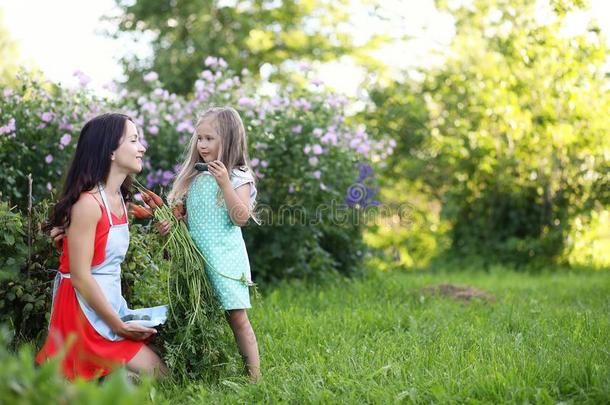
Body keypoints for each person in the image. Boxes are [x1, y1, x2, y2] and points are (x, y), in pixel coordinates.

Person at [37, 113, 168, 380]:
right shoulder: (88, 204)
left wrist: (164, 231)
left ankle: (111, 375)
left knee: (165, 375)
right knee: (159, 377)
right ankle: (103, 376)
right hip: (83, 314)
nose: (142, 147)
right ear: (110, 152)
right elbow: (81, 277)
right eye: (133, 140)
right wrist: (117, 326)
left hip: (108, 304)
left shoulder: (118, 198)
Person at [168, 106, 261, 382]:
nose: (202, 145)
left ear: (228, 140)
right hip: (195, 260)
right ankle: (198, 369)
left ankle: (254, 377)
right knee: (194, 315)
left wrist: (225, 184)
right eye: (200, 138)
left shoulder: (237, 176)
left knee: (236, 317)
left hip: (224, 260)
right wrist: (173, 223)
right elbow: (185, 221)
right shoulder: (194, 176)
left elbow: (241, 218)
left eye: (209, 138)